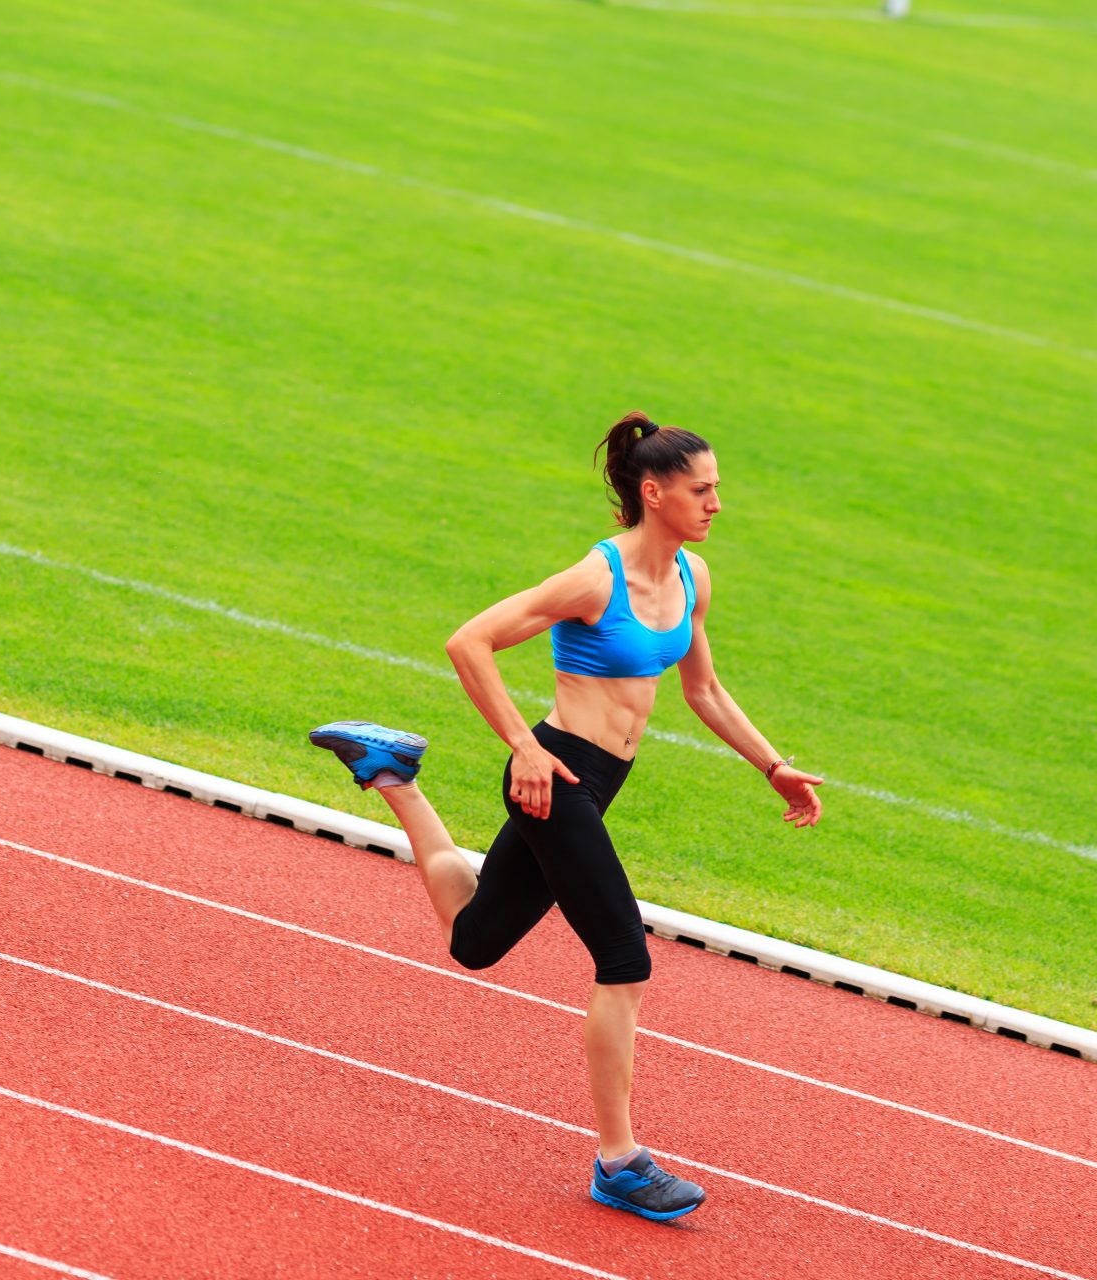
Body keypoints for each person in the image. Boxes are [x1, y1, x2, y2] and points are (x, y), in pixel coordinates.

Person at [309, 410, 825, 1222]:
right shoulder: (595, 579)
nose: (717, 504)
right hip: (556, 777)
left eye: (718, 489)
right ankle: (619, 1162)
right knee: (625, 957)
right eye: (703, 490)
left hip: (599, 781)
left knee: (475, 941)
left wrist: (773, 765)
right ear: (654, 494)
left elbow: (703, 691)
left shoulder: (691, 577)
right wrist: (521, 745)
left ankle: (393, 776)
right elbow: (469, 642)